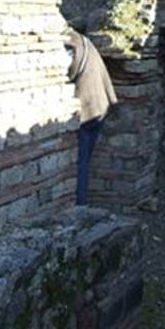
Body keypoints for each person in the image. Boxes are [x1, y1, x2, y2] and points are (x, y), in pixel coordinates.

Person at [66, 27, 118, 206]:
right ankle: (81, 203)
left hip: (87, 110)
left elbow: (63, 74)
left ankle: (79, 207)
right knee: (83, 161)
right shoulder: (82, 40)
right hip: (99, 107)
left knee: (79, 163)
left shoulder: (68, 44)